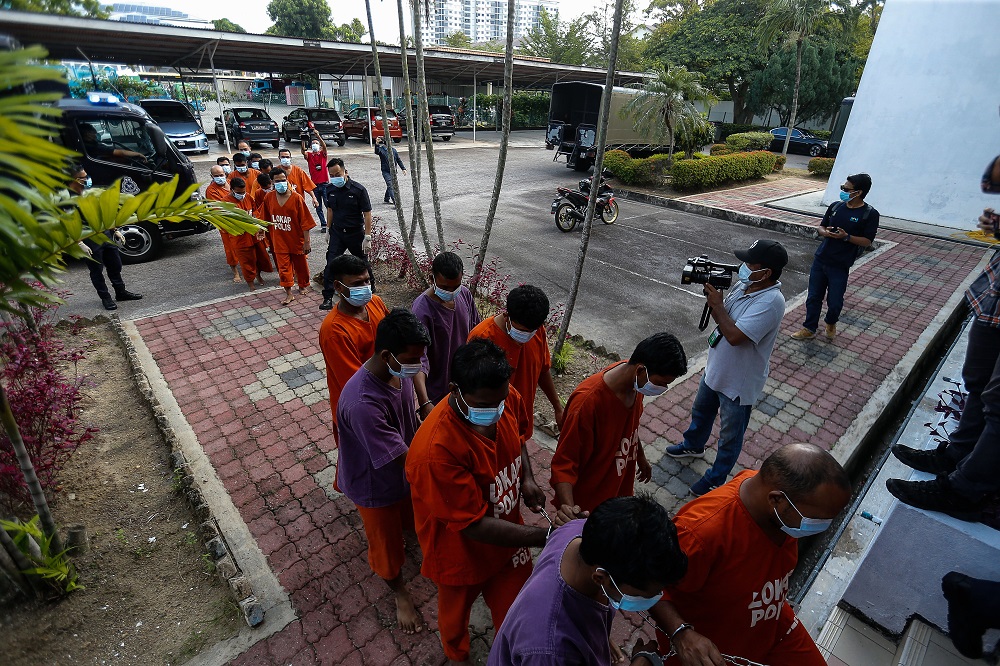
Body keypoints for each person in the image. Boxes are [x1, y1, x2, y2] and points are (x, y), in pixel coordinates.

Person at [405, 339, 548, 666]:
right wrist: (546, 537)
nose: (496, 412)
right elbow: (473, 525)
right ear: (455, 389)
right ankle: (458, 657)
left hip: (509, 538)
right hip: (459, 552)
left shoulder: (502, 397)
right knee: (455, 621)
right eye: (486, 404)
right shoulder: (435, 452)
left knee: (518, 613)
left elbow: (520, 434)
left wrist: (527, 477)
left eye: (501, 400)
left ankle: (509, 654)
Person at [650, 443, 852, 666]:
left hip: (772, 624)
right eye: (816, 520)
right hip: (715, 650)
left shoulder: (772, 499)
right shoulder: (700, 533)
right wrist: (680, 633)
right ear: (777, 501)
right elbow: (648, 585)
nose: (824, 527)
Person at [887, 154, 1000, 521]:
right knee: (978, 383)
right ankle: (956, 455)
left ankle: (964, 489)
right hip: (993, 301)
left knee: (998, 403)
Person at [489, 495, 689, 666]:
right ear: (601, 577)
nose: (655, 599)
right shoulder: (551, 649)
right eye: (643, 595)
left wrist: (596, 639)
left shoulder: (579, 532)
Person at [666, 239, 787, 497]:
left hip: (739, 383)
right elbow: (723, 321)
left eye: (749, 264)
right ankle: (693, 445)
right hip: (717, 369)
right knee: (701, 412)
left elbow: (734, 335)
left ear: (765, 272)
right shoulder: (745, 286)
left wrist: (718, 306)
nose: (742, 268)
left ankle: (716, 478)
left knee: (730, 437)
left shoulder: (771, 302)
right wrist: (715, 302)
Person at [337, 308, 431, 635]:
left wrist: (424, 404)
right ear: (388, 354)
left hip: (400, 472)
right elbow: (403, 461)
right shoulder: (363, 403)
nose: (417, 366)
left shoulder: (396, 370)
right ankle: (400, 594)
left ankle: (408, 536)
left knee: (409, 523)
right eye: (412, 359)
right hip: (376, 485)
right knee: (387, 550)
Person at [551, 333, 687, 519]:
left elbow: (629, 426)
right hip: (587, 506)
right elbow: (564, 465)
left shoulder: (635, 383)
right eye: (661, 383)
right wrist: (569, 512)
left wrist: (639, 455)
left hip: (615, 494)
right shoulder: (586, 405)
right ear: (640, 370)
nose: (662, 389)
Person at [791, 173, 879, 340]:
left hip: (840, 264)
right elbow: (821, 227)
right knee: (813, 297)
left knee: (835, 301)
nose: (843, 191)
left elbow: (867, 241)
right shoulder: (836, 207)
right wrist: (826, 233)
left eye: (846, 189)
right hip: (821, 259)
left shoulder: (869, 214)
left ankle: (831, 322)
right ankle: (809, 328)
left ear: (858, 192)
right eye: (842, 188)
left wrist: (846, 237)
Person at [468, 285, 563, 439]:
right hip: (492, 431)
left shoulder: (537, 331)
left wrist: (557, 407)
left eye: (531, 331)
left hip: (520, 426)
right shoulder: (482, 338)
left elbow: (543, 371)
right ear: (506, 315)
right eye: (522, 330)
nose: (527, 336)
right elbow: (471, 393)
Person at [318, 254, 390, 439]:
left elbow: (394, 337)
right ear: (338, 287)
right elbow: (356, 383)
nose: (365, 288)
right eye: (357, 284)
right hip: (361, 404)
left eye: (367, 281)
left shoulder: (375, 302)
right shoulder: (335, 331)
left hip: (386, 394)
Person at [411, 252, 482, 418]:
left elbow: (477, 333)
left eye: (455, 286)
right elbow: (419, 360)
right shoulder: (422, 310)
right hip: (438, 391)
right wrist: (424, 402)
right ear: (432, 279)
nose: (451, 292)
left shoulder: (464, 294)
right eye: (444, 288)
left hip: (465, 386)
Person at [69, 165, 142, 311]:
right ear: (75, 180)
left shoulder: (91, 193)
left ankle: (120, 291)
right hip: (88, 237)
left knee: (115, 264)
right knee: (96, 270)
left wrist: (114, 230)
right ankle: (106, 298)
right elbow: (69, 223)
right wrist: (79, 243)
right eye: (84, 177)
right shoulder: (68, 200)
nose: (88, 179)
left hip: (105, 233)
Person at [321, 157, 376, 310]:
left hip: (355, 233)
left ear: (345, 171)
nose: (335, 178)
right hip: (337, 233)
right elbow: (330, 210)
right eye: (331, 175)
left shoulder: (358, 190)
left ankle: (371, 291)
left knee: (362, 263)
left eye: (337, 174)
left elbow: (367, 213)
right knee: (331, 264)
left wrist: (368, 236)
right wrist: (328, 229)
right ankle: (327, 297)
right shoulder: (330, 189)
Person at [255, 167, 314, 305]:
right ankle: (288, 293)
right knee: (284, 268)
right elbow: (265, 217)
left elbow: (305, 222)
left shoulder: (297, 198)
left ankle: (302, 284)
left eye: (283, 180)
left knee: (301, 266)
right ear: (272, 182)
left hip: (296, 240)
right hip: (279, 240)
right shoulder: (269, 197)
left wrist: (307, 242)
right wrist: (261, 230)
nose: (281, 183)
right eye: (277, 181)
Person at [225, 177, 271, 290]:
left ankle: (258, 275)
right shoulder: (225, 202)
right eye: (238, 193)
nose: (242, 195)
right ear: (231, 190)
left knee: (260, 257)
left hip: (254, 234)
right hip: (240, 237)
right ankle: (250, 282)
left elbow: (255, 210)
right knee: (246, 261)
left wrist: (255, 218)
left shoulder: (248, 197)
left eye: (243, 192)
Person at [205, 164, 242, 283]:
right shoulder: (211, 190)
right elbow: (219, 208)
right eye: (216, 176)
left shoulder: (231, 183)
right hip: (226, 223)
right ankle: (236, 272)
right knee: (230, 248)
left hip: (241, 219)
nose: (220, 177)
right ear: (212, 176)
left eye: (221, 175)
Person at [302, 129, 330, 231]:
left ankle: (331, 223)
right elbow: (303, 151)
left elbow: (325, 147)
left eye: (316, 143)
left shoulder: (322, 154)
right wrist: (303, 139)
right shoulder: (309, 155)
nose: (314, 145)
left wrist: (318, 136)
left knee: (328, 205)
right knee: (318, 207)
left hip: (325, 184)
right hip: (315, 185)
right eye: (313, 143)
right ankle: (323, 224)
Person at [277, 147, 318, 212]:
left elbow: (308, 186)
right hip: (282, 204)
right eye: (283, 157)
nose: (285, 159)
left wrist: (314, 198)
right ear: (279, 158)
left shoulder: (298, 171)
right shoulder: (276, 171)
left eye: (287, 157)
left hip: (297, 204)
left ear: (290, 158)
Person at [79, 123, 146, 162]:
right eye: (93, 132)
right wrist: (138, 154)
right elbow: (120, 152)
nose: (96, 134)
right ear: (87, 134)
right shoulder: (91, 146)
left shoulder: (83, 144)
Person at [375, 135, 406, 204]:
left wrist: (403, 168)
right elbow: (376, 151)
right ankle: (396, 203)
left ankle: (386, 198)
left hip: (393, 171)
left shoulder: (394, 150)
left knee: (390, 185)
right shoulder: (381, 149)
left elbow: (398, 160)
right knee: (390, 185)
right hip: (385, 171)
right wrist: (376, 143)